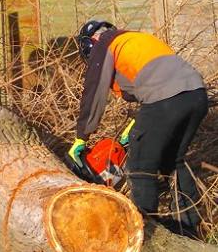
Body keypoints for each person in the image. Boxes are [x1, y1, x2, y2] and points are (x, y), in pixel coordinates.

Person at [69, 20, 208, 237]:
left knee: (140, 165)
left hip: (166, 98)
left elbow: (94, 90)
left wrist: (81, 137)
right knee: (174, 161)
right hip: (196, 95)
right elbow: (149, 84)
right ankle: (189, 228)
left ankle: (144, 233)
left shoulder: (105, 43)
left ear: (90, 44)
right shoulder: (137, 39)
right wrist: (136, 126)